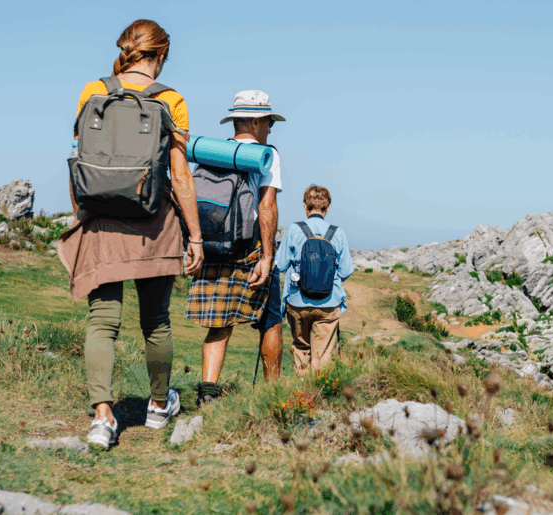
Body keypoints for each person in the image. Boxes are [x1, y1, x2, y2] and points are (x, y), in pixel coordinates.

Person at [58, 19, 204, 448]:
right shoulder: (171, 100)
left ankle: (102, 418)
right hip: (154, 223)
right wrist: (195, 237)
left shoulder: (92, 91)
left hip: (102, 219)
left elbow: (78, 160)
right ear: (160, 54)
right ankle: (158, 406)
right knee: (155, 320)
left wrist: (83, 216)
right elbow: (180, 175)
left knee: (102, 321)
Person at [186, 91, 285, 404]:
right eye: (268, 122)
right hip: (248, 248)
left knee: (219, 321)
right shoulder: (266, 155)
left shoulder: (213, 154)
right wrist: (267, 257)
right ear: (255, 122)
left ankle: (207, 393)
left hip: (212, 245)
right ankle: (272, 395)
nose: (270, 129)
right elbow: (267, 206)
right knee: (271, 321)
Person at [276, 185, 354, 375]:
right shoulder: (337, 233)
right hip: (329, 302)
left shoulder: (294, 230)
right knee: (323, 355)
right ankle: (318, 389)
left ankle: (302, 390)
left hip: (298, 301)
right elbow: (346, 271)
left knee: (301, 348)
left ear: (305, 206)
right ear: (328, 208)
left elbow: (281, 264)